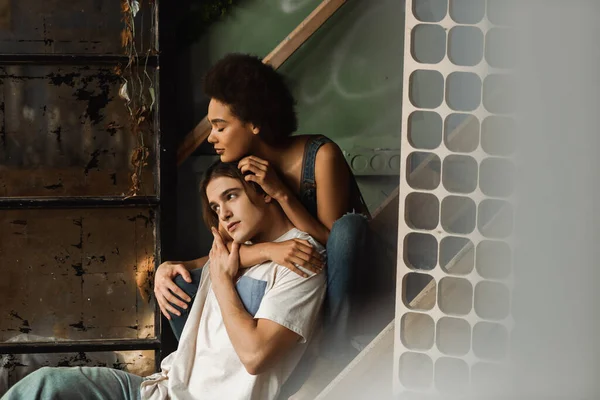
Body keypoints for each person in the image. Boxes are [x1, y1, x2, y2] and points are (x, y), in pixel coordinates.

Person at [1, 161, 326, 400]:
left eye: (231, 196)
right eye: (216, 206)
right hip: (159, 389)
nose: (223, 214)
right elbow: (213, 263)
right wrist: (166, 268)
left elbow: (255, 357)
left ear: (265, 192)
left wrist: (223, 282)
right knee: (43, 384)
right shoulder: (238, 252)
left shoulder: (300, 257)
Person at [155, 53, 370, 356]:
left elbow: (337, 246)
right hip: (286, 290)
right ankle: (213, 370)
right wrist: (176, 268)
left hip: (340, 285)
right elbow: (229, 251)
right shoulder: (241, 169)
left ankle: (334, 353)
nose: (211, 138)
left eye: (220, 126)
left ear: (254, 123)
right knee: (179, 285)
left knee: (349, 228)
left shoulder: (321, 156)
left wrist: (282, 194)